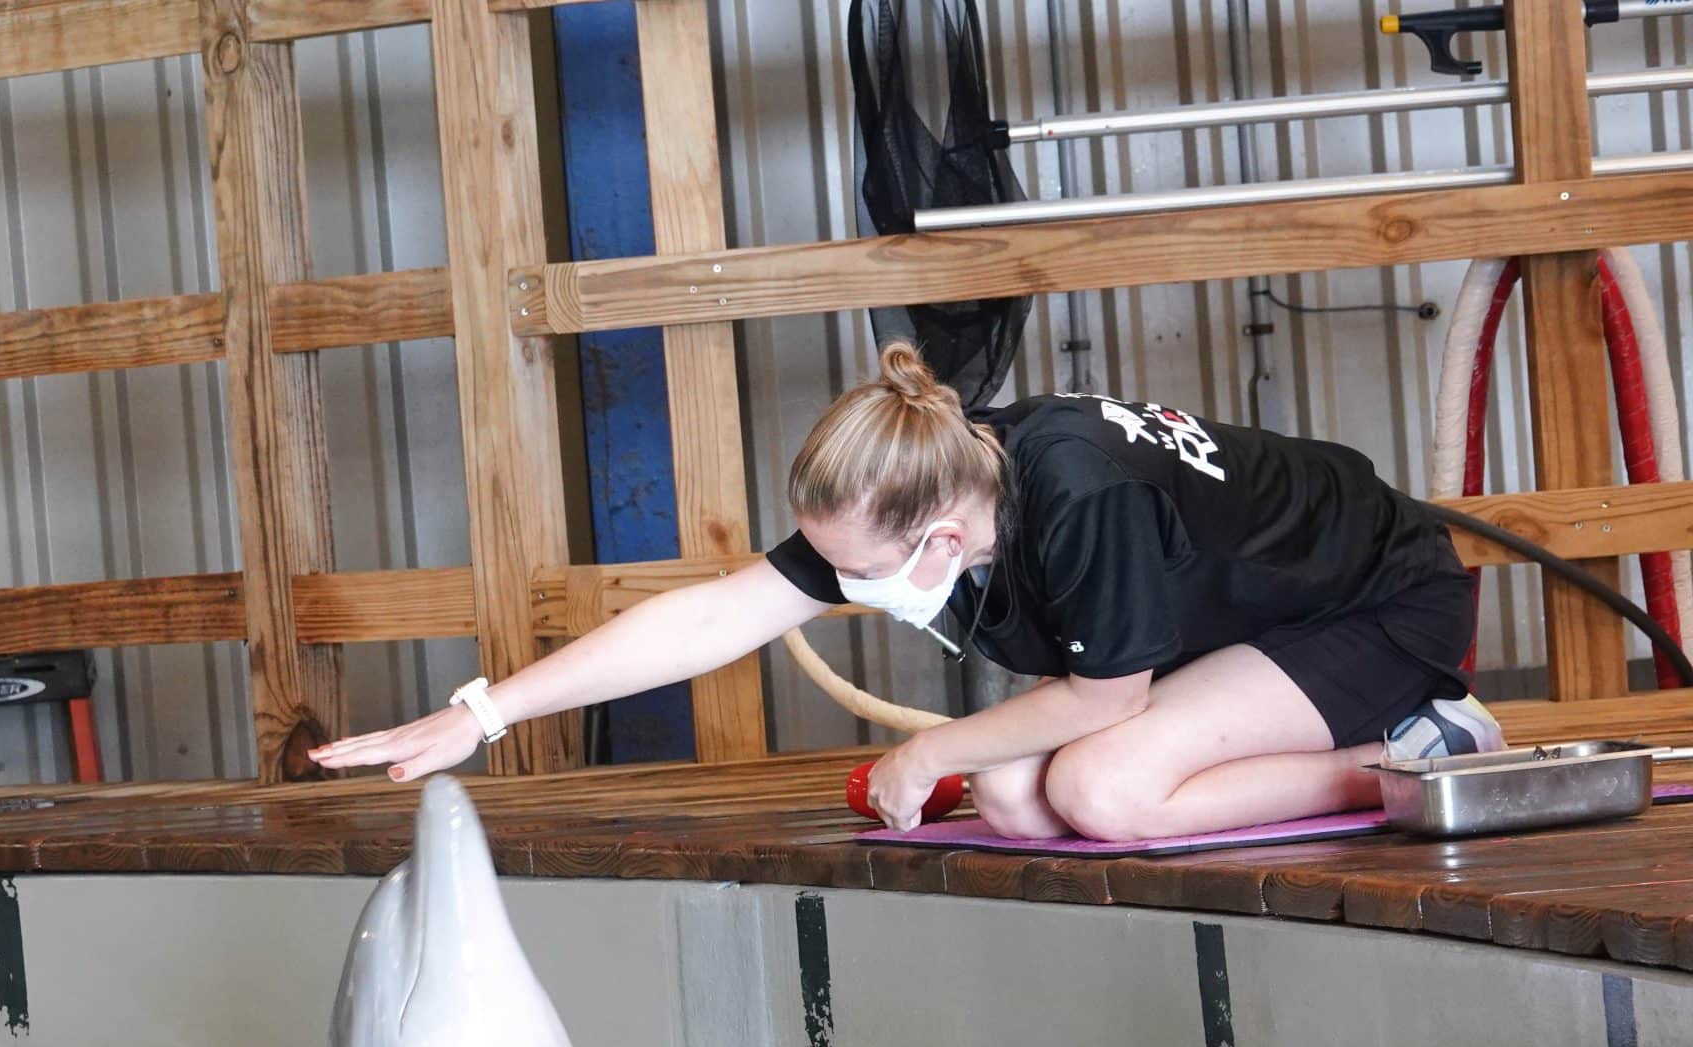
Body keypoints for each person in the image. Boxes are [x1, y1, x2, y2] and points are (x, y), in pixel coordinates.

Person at [308, 342, 1503, 840]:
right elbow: (711, 617)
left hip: (1374, 608)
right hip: (1238, 625)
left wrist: (919, 758)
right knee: (1019, 801)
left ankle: (1421, 751)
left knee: (1105, 791)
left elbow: (1100, 698)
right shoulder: (938, 479)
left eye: (865, 573)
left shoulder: (1079, 498)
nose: (844, 588)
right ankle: (1381, 749)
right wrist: (483, 712)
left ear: (940, 538)